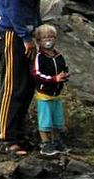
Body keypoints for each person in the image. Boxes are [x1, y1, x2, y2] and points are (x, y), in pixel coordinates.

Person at [0, 0, 40, 157]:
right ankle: (8, 138)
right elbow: (14, 8)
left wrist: (37, 30)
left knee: (26, 87)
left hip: (27, 32)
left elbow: (34, 6)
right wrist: (25, 37)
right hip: (11, 34)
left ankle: (19, 134)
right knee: (12, 86)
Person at [31, 24, 69, 156]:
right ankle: (45, 144)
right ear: (38, 41)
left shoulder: (58, 55)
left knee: (58, 120)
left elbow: (64, 67)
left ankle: (57, 141)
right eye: (44, 38)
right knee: (45, 120)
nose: (48, 40)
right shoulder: (39, 56)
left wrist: (65, 75)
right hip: (44, 94)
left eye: (51, 37)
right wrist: (53, 79)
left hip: (56, 94)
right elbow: (37, 74)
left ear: (55, 39)